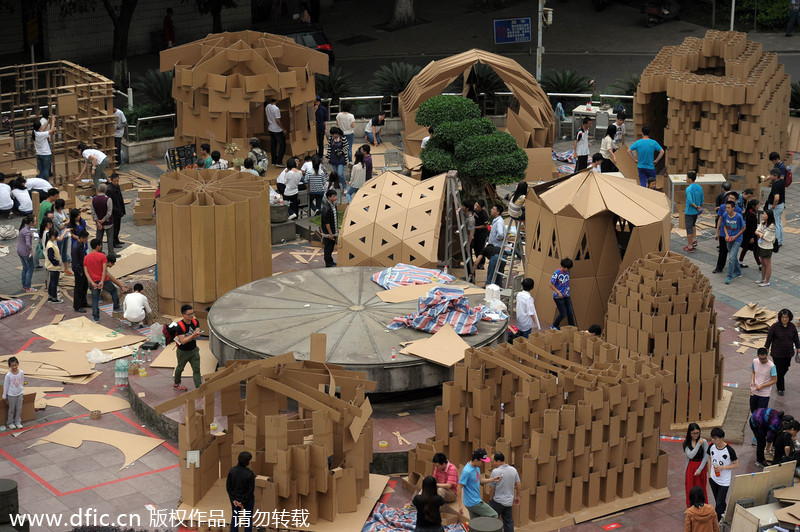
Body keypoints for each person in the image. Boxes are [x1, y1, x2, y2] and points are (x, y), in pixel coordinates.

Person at [84, 239, 123, 322]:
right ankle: (116, 308)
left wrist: (91, 282)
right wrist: (102, 281)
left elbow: (86, 272)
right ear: (97, 246)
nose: (101, 247)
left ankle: (96, 318)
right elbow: (104, 270)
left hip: (93, 282)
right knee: (113, 291)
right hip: (104, 280)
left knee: (95, 299)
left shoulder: (86, 258)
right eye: (100, 245)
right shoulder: (102, 256)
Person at [764, 308, 800, 396]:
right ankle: (780, 388)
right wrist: (767, 348)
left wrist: (798, 347)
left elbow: (796, 338)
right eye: (783, 317)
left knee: (786, 367)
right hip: (777, 353)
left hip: (788, 353)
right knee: (779, 370)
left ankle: (776, 377)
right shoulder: (775, 327)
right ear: (780, 317)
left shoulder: (792, 326)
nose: (784, 319)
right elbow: (769, 338)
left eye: (786, 317)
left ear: (789, 318)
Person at [458, 448, 500, 519]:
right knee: (494, 515)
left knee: (475, 523)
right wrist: (460, 505)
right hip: (473, 502)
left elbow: (480, 480)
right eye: (482, 462)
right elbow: (459, 486)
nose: (484, 464)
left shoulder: (476, 467)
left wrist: (492, 479)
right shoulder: (467, 471)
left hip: (472, 501)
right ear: (476, 460)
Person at [707, 427, 738, 522]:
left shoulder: (729, 450)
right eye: (712, 438)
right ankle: (723, 513)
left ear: (721, 438)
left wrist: (722, 468)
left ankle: (716, 521)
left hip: (724, 481)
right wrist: (709, 474)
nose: (713, 440)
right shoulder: (711, 446)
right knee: (718, 500)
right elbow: (709, 458)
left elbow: (736, 464)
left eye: (715, 438)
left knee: (719, 502)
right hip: (713, 478)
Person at [171, 304, 203, 390]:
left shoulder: (195, 321)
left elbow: (197, 331)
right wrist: (193, 335)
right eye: (190, 314)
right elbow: (183, 341)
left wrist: (196, 333)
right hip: (183, 352)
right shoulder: (180, 326)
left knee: (196, 370)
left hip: (194, 350)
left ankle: (199, 388)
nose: (192, 316)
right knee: (180, 368)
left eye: (193, 313)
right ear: (183, 315)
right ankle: (176, 383)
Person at [488, 451, 521, 532]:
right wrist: (517, 497)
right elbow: (519, 484)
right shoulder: (513, 470)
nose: (492, 464)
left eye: (493, 462)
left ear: (498, 462)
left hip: (497, 501)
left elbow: (492, 488)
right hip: (509, 502)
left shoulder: (495, 472)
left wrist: (490, 498)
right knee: (508, 522)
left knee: (491, 521)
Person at [474, 204, 505, 285]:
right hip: (498, 252)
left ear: (497, 212)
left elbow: (501, 234)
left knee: (490, 277)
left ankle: (488, 292)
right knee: (498, 277)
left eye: (493, 209)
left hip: (496, 253)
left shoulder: (499, 222)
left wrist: (498, 238)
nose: (491, 210)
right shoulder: (497, 221)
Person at [227, 451, 256, 532]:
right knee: (248, 518)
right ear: (247, 462)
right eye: (250, 460)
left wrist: (233, 500)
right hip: (247, 500)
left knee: (235, 517)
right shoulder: (250, 474)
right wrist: (243, 501)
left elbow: (228, 487)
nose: (251, 461)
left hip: (235, 499)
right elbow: (251, 491)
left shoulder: (232, 471)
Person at [712, 192, 739, 274]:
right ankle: (719, 267)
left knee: (732, 253)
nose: (730, 199)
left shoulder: (738, 210)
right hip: (723, 233)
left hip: (733, 235)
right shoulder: (723, 207)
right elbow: (719, 219)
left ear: (736, 200)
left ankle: (735, 269)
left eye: (732, 198)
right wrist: (717, 232)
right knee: (722, 251)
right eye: (729, 198)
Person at [683, 423, 709, 508]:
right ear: (689, 433)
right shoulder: (686, 443)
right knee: (690, 488)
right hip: (691, 467)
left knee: (701, 488)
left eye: (697, 433)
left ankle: (703, 507)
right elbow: (690, 455)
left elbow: (706, 456)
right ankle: (691, 508)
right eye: (694, 433)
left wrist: (700, 469)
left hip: (701, 467)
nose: (696, 435)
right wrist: (698, 445)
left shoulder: (704, 442)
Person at [721, 200, 745, 285]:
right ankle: (738, 271)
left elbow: (743, 228)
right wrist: (727, 235)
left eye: (728, 208)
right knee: (733, 256)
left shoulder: (738, 217)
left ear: (733, 208)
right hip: (729, 239)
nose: (727, 209)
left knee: (731, 258)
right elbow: (724, 225)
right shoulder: (725, 215)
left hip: (737, 240)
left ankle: (729, 276)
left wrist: (736, 236)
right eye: (726, 207)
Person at [90, 183, 116, 260]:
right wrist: (103, 220)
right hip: (108, 223)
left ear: (98, 190)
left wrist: (98, 221)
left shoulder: (93, 199)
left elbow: (93, 211)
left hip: (98, 224)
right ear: (106, 190)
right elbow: (109, 212)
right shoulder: (108, 199)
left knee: (98, 239)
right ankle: (111, 254)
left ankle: (98, 254)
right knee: (110, 239)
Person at [750, 347, 777, 413]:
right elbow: (753, 371)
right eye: (761, 359)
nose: (762, 361)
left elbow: (774, 380)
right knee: (753, 410)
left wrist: (762, 385)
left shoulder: (771, 366)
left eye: (764, 358)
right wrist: (752, 381)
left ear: (767, 355)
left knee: (761, 413)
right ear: (757, 355)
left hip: (764, 394)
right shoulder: (755, 361)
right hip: (754, 390)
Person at [549, 258, 575, 329]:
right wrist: (558, 292)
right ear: (564, 267)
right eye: (567, 268)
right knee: (563, 314)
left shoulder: (568, 271)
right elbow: (551, 284)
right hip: (558, 297)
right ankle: (554, 325)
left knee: (570, 312)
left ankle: (572, 328)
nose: (568, 270)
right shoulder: (557, 273)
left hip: (566, 295)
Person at [1, 357, 24, 431]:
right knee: (11, 409)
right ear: (9, 366)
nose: (14, 367)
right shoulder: (8, 375)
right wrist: (4, 395)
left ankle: (18, 422)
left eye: (15, 365)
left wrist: (21, 390)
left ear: (18, 364)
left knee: (19, 409)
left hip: (19, 393)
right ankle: (10, 422)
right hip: (11, 395)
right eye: (12, 366)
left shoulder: (21, 372)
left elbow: (22, 381)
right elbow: (6, 385)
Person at [755, 209, 776, 286]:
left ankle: (767, 281)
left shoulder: (772, 226)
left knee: (767, 264)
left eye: (765, 214)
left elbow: (764, 236)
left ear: (769, 216)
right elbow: (756, 231)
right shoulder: (763, 223)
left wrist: (760, 234)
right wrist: (760, 233)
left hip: (767, 247)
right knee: (762, 263)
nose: (763, 215)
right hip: (761, 245)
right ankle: (762, 278)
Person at [684, 171, 703, 252]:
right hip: (696, 212)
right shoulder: (700, 187)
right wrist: (699, 207)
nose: (686, 179)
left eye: (687, 177)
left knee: (689, 229)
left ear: (690, 179)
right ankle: (694, 240)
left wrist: (696, 206)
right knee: (693, 225)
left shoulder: (688, 189)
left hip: (689, 212)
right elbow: (702, 199)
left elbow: (690, 201)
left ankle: (690, 246)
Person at [738, 199, 761, 269]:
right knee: (755, 250)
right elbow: (752, 227)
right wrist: (752, 237)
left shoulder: (749, 212)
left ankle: (740, 261)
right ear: (754, 206)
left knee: (746, 248)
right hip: (751, 234)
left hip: (747, 234)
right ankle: (760, 265)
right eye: (757, 205)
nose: (758, 206)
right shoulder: (752, 214)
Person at [767, 168, 786, 250]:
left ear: (775, 176)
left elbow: (776, 198)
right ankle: (780, 240)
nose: (770, 176)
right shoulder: (781, 181)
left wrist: (773, 206)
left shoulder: (775, 185)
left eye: (771, 175)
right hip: (781, 205)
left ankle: (776, 242)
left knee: (776, 224)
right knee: (779, 223)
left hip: (776, 206)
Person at [71, 230, 90, 313]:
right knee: (78, 288)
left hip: (84, 268)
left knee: (85, 286)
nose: (87, 240)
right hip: (79, 270)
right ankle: (77, 306)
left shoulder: (82, 244)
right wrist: (80, 271)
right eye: (86, 238)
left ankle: (84, 302)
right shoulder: (76, 247)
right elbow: (75, 261)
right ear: (82, 238)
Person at [53, 198, 72, 275]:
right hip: (59, 236)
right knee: (58, 252)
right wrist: (65, 223)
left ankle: (66, 269)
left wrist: (64, 223)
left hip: (66, 235)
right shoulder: (55, 215)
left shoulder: (63, 211)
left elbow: (68, 219)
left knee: (64, 252)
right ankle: (57, 268)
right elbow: (59, 226)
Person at [34, 112, 55, 181]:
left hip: (39, 154)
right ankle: (46, 183)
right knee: (46, 169)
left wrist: (48, 122)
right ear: (39, 127)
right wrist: (53, 121)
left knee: (39, 170)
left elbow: (42, 129)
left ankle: (39, 182)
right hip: (45, 154)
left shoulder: (35, 132)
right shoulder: (41, 134)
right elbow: (51, 130)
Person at [17, 215, 36, 293]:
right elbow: (28, 244)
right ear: (31, 222)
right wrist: (31, 251)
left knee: (25, 267)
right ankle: (28, 286)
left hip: (19, 251)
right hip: (25, 252)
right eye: (35, 221)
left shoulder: (24, 228)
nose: (36, 222)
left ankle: (24, 285)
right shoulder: (27, 231)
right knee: (30, 268)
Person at [327, 126, 349, 193]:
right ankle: (339, 186)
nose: (333, 136)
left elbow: (347, 146)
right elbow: (329, 148)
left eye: (334, 134)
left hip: (341, 158)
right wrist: (327, 157)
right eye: (332, 134)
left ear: (337, 133)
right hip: (333, 157)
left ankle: (345, 187)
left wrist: (342, 151)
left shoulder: (343, 138)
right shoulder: (331, 139)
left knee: (340, 173)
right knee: (336, 174)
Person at [106, 174, 125, 248]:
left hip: (119, 209)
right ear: (111, 180)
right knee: (114, 228)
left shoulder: (117, 187)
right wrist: (117, 211)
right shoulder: (110, 190)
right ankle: (113, 242)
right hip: (114, 212)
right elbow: (111, 204)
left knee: (118, 227)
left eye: (117, 181)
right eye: (115, 181)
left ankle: (117, 240)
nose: (116, 182)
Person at [265, 99, 286, 167]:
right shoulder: (276, 109)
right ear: (276, 100)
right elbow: (277, 120)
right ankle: (279, 161)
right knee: (283, 145)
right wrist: (283, 128)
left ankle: (274, 160)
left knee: (273, 145)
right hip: (277, 129)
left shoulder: (267, 106)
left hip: (270, 128)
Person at [44, 229, 63, 303]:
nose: (57, 238)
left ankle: (50, 297)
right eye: (56, 236)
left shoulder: (50, 243)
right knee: (54, 283)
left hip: (52, 267)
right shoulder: (50, 246)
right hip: (53, 267)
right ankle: (54, 298)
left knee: (52, 283)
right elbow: (51, 257)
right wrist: (57, 263)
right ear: (52, 236)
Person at [321, 189, 338, 268]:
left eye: (335, 196)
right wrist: (330, 233)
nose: (335, 198)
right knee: (328, 248)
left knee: (331, 247)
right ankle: (328, 263)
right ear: (329, 197)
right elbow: (327, 222)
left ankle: (330, 261)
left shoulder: (334, 205)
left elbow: (335, 218)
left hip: (333, 231)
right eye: (333, 196)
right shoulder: (326, 208)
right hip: (328, 233)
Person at [473, 200, 489, 269]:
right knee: (475, 247)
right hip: (475, 232)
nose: (476, 207)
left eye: (478, 206)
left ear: (481, 208)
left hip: (482, 233)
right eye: (475, 205)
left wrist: (475, 227)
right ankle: (477, 262)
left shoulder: (484, 214)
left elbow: (485, 225)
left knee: (480, 248)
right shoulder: (473, 211)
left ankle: (481, 263)